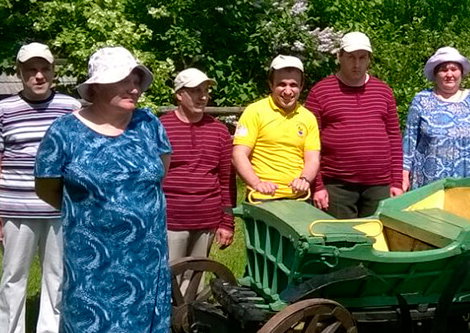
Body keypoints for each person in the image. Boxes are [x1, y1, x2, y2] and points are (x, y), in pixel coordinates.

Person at [34, 47, 174, 333]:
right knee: (90, 331)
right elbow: (48, 187)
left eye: (136, 79)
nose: (134, 86)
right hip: (91, 257)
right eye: (123, 79)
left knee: (145, 330)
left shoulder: (149, 124)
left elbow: (159, 171)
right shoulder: (65, 132)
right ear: (95, 88)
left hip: (145, 253)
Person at [0, 43, 80, 333]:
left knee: (58, 276)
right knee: (12, 277)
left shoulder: (71, 108)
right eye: (30, 70)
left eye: (45, 69)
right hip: (16, 209)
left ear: (53, 71)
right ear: (19, 73)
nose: (38, 76)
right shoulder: (3, 110)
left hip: (61, 210)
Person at [306, 32, 403, 218]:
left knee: (378, 240)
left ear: (369, 59)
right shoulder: (320, 92)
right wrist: (317, 186)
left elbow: (394, 138)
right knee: (341, 241)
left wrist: (396, 182)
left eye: (362, 57)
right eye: (351, 57)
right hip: (337, 185)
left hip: (379, 185)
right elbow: (310, 143)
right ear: (339, 57)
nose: (357, 64)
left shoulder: (383, 91)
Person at [160, 68, 236, 268]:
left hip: (207, 218)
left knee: (196, 277)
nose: (203, 97)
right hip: (170, 218)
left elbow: (226, 179)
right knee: (168, 277)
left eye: (205, 91)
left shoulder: (219, 131)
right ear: (179, 94)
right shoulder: (161, 127)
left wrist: (227, 222)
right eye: (195, 91)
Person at [233, 55, 320, 201]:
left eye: (293, 85)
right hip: (262, 198)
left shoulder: (308, 117)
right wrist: (257, 183)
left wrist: (304, 180)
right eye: (282, 84)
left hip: (298, 199)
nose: (287, 91)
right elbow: (238, 155)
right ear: (271, 85)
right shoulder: (255, 111)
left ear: (301, 86)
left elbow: (313, 159)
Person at [402, 47, 470, 190]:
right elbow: (409, 141)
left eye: (454, 69)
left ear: (461, 72)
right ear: (435, 74)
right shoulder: (422, 100)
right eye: (443, 70)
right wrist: (404, 175)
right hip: (430, 184)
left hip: (469, 183)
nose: (449, 74)